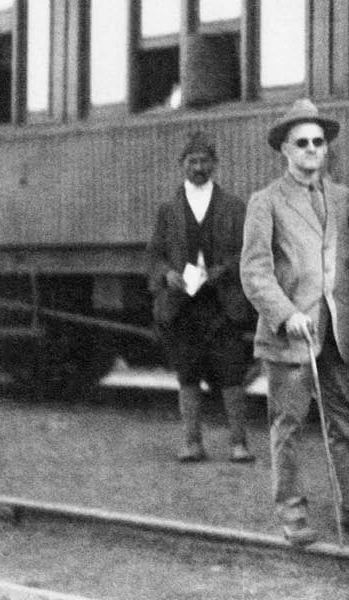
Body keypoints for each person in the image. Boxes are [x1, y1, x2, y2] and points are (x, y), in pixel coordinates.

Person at [241, 99, 349, 545]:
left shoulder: (341, 198)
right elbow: (255, 272)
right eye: (301, 143)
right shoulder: (265, 202)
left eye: (318, 143)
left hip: (339, 331)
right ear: (285, 149)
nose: (311, 150)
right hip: (292, 337)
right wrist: (286, 315)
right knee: (289, 427)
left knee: (348, 421)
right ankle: (292, 514)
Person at [148, 131, 254, 464]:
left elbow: (247, 254)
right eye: (192, 161)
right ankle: (192, 443)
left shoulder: (234, 207)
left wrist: (220, 271)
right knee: (187, 375)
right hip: (182, 307)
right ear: (182, 165)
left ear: (214, 165)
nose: (198, 167)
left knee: (232, 373)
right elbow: (155, 255)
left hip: (223, 305)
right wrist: (167, 275)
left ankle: (239, 444)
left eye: (204, 161)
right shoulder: (168, 210)